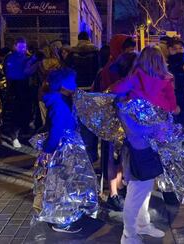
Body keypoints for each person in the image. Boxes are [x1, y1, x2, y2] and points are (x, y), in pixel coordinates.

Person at [110, 46, 177, 244]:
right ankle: (129, 235)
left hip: (138, 143)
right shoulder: (165, 82)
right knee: (138, 190)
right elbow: (172, 107)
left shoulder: (133, 80)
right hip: (148, 143)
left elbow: (115, 92)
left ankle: (141, 225)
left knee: (143, 187)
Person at [32, 67, 96, 233]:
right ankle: (59, 221)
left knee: (64, 183)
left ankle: (62, 216)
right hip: (61, 149)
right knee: (61, 184)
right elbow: (57, 129)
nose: (75, 84)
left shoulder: (62, 99)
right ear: (62, 85)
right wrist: (48, 151)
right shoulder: (59, 103)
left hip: (64, 147)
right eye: (72, 81)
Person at [96, 35, 136, 211]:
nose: (130, 50)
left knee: (121, 158)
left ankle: (119, 188)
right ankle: (113, 194)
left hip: (125, 121)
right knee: (113, 157)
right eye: (126, 48)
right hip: (113, 121)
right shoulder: (109, 70)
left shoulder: (129, 65)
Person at [65, 31, 100, 163]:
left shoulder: (72, 54)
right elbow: (99, 71)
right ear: (89, 39)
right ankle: (92, 154)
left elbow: (67, 71)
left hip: (77, 91)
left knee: (78, 122)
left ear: (78, 39)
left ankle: (80, 154)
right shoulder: (96, 52)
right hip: (92, 91)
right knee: (92, 122)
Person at [4, 37, 30, 148]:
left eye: (24, 47)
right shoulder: (10, 58)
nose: (23, 49)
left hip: (24, 87)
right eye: (21, 46)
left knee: (24, 112)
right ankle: (14, 136)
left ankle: (19, 134)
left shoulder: (26, 57)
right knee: (15, 113)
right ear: (15, 46)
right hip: (14, 87)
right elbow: (10, 73)